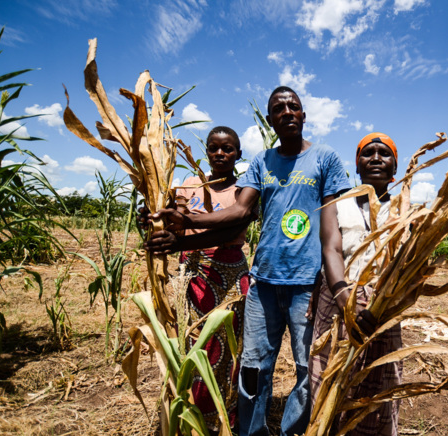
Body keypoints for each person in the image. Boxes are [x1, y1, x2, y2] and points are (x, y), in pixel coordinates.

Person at [145, 86, 351, 436]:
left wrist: (334, 284)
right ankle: (252, 432)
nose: (287, 112)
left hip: (306, 285)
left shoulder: (325, 158)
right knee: (254, 367)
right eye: (278, 109)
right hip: (263, 284)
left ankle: (292, 431)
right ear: (270, 120)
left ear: (303, 114)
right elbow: (240, 211)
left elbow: (333, 229)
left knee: (305, 367)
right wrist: (185, 222)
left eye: (294, 106)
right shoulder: (261, 162)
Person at [143, 126, 250, 431]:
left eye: (227, 149)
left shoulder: (243, 190)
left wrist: (180, 239)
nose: (220, 154)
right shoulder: (188, 185)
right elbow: (176, 223)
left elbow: (232, 230)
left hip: (229, 275)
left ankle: (225, 416)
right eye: (214, 148)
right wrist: (154, 219)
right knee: (194, 343)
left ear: (238, 154)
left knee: (229, 347)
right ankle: (194, 414)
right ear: (206, 152)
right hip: (193, 276)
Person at [310, 132, 403, 436]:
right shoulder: (337, 203)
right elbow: (331, 249)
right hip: (338, 299)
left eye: (384, 153)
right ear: (357, 165)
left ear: (395, 167)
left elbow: (407, 264)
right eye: (368, 153)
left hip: (384, 307)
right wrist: (344, 299)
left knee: (376, 387)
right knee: (330, 380)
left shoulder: (406, 210)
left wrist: (379, 306)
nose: (376, 158)